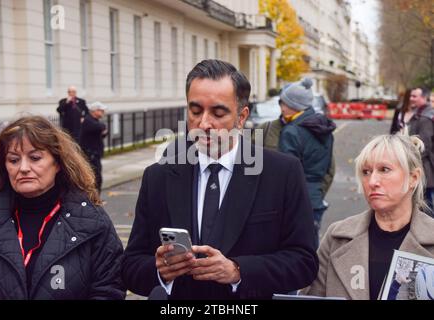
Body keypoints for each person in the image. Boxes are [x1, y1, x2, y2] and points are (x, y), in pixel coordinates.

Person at [121, 59, 318, 300]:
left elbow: (304, 263)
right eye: (195, 111)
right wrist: (161, 272)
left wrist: (237, 271)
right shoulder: (158, 177)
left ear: (241, 117)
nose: (204, 123)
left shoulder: (282, 173)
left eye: (218, 112)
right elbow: (130, 266)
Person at [0, 116, 125, 299]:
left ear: (57, 163)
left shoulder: (93, 222)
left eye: (35, 158)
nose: (23, 168)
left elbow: (109, 290)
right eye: (14, 160)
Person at [302, 134, 434, 300]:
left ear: (413, 178)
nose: (372, 181)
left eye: (384, 170)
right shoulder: (337, 237)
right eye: (366, 172)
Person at [277, 78, 336, 247]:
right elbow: (328, 167)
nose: (281, 108)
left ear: (294, 105)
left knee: (293, 250)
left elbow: (286, 174)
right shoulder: (324, 129)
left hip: (296, 200)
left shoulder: (291, 132)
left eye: (283, 103)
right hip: (316, 197)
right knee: (311, 247)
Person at [408, 87, 434, 214]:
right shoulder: (420, 114)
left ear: (424, 98)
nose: (411, 99)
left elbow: (424, 146)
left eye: (414, 96)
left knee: (426, 206)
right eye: (411, 96)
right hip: (422, 168)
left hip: (425, 170)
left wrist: (410, 160)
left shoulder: (425, 118)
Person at [80, 102, 108, 193]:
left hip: (95, 153)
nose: (103, 112)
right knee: (95, 177)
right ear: (94, 111)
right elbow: (100, 127)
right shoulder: (88, 120)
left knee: (97, 177)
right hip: (90, 154)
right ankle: (94, 199)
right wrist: (103, 127)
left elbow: (101, 133)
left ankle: (96, 199)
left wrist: (103, 130)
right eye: (101, 110)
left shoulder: (94, 120)